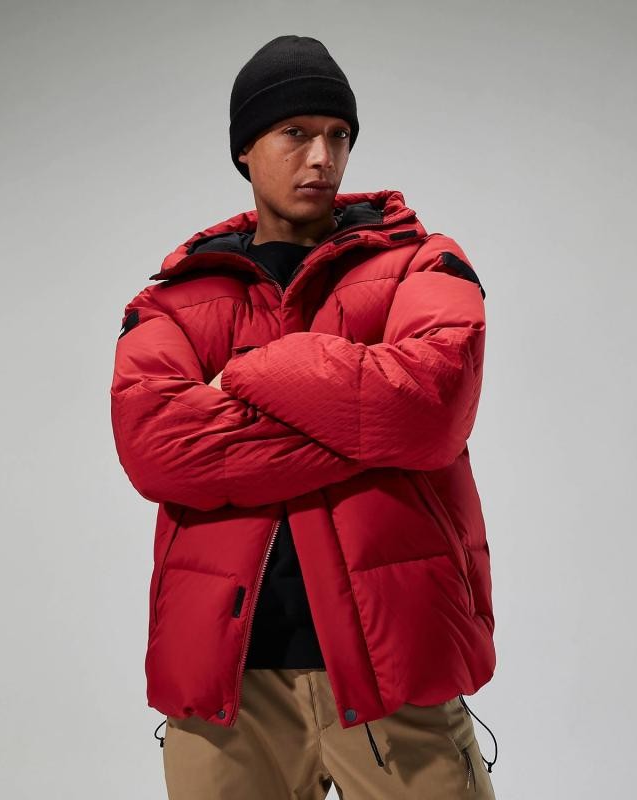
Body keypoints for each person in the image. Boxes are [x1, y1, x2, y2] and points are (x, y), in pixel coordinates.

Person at [110, 33, 498, 799]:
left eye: (338, 134)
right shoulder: (173, 299)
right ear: (246, 148)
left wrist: (249, 372)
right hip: (228, 694)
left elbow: (430, 410)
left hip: (398, 677)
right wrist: (361, 420)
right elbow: (157, 448)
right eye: (296, 132)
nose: (322, 157)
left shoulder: (423, 263)